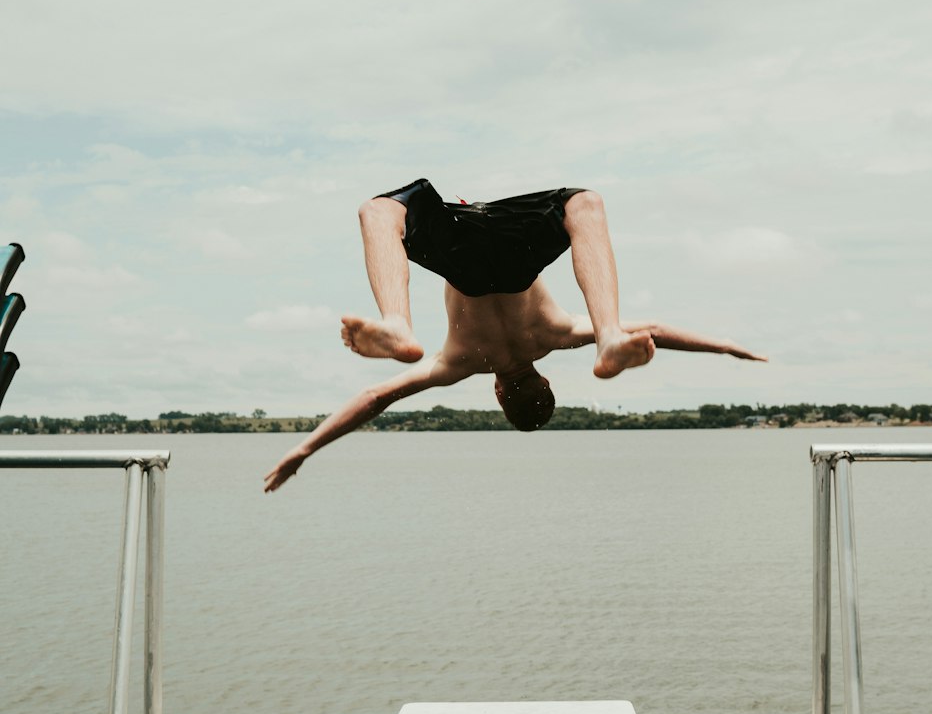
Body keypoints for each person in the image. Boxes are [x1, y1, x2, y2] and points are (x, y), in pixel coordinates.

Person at [264, 179, 766, 492]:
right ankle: (608, 334)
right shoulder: (459, 363)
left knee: (584, 204)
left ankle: (398, 321)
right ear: (500, 393)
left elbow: (655, 330)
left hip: (497, 246)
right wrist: (303, 451)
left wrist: (727, 347)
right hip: (473, 257)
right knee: (377, 213)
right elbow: (374, 397)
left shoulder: (558, 335)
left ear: (545, 382)